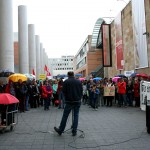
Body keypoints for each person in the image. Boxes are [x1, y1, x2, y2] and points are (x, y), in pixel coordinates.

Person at [54, 71, 83, 136]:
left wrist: (67, 97)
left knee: (65, 116)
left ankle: (60, 130)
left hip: (69, 101)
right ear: (73, 75)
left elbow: (63, 91)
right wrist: (79, 98)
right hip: (77, 101)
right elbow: (81, 91)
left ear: (68, 75)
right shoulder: (78, 81)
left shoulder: (66, 82)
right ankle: (74, 131)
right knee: (76, 116)